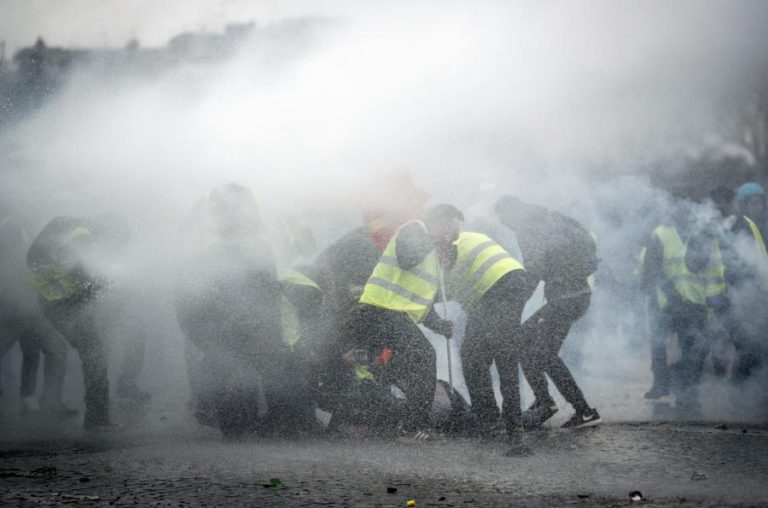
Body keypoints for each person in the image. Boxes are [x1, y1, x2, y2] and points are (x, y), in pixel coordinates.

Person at [343, 204, 461, 438]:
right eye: (452, 223)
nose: (454, 230)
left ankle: (381, 421)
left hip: (392, 315)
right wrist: (435, 240)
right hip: (380, 309)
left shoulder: (433, 257)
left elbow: (418, 304)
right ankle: (414, 427)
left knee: (393, 368)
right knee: (424, 357)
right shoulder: (415, 229)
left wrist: (439, 325)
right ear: (439, 221)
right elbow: (406, 258)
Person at [176, 183, 283, 437]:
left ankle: (237, 423)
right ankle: (235, 424)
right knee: (229, 365)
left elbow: (266, 284)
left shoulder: (244, 238)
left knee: (232, 365)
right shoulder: (210, 242)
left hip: (228, 316)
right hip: (218, 316)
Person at [494, 196, 601, 429]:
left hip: (566, 298)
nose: (506, 226)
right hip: (575, 294)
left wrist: (516, 305)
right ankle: (544, 401)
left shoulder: (528, 227)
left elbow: (534, 268)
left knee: (543, 354)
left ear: (511, 213)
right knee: (525, 342)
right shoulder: (549, 217)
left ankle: (583, 411)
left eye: (504, 220)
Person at [27, 213, 131, 430]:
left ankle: (96, 416)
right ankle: (98, 418)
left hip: (51, 300)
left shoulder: (68, 227)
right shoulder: (82, 237)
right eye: (117, 242)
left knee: (91, 352)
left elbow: (34, 258)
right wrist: (105, 284)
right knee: (95, 356)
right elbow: (84, 278)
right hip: (66, 304)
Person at [446, 230, 529, 451]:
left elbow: (440, 289)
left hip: (496, 291)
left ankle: (506, 425)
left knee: (498, 355)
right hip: (510, 284)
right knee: (477, 357)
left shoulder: (441, 249)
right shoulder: (465, 236)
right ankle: (497, 421)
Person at [640, 202, 720, 409]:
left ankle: (685, 387)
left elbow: (712, 268)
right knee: (660, 344)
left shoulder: (702, 234)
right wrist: (669, 293)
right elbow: (651, 271)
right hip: (667, 303)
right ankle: (667, 385)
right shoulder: (662, 234)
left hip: (695, 302)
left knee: (696, 348)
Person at [0, 216, 74, 417]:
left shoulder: (18, 247)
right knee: (55, 350)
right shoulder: (23, 249)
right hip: (22, 311)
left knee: (42, 350)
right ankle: (49, 402)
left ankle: (40, 400)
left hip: (22, 311)